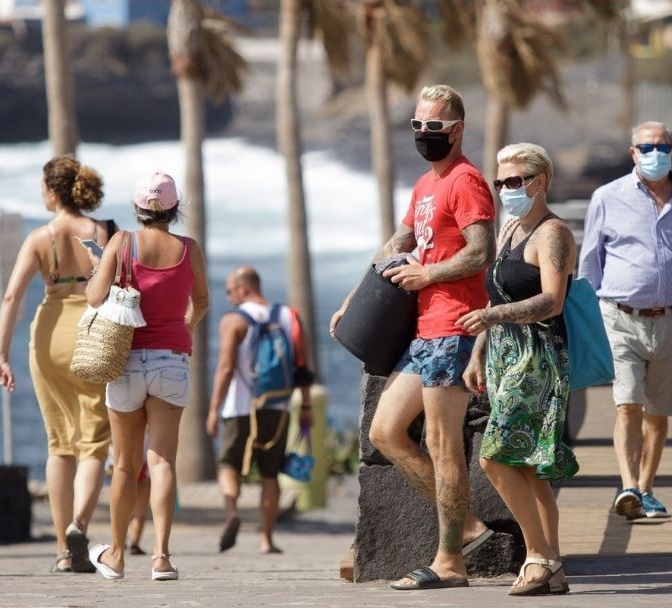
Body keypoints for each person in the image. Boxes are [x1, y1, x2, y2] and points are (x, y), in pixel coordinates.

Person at [330, 84, 497, 590]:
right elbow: (399, 243)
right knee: (385, 432)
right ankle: (467, 527)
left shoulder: (467, 182)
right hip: (424, 331)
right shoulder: (426, 185)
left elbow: (481, 252)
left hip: (453, 325)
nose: (425, 134)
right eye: (418, 126)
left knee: (444, 443)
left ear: (457, 129)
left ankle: (450, 561)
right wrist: (354, 298)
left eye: (435, 127)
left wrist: (430, 275)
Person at [579, 121, 672, 522]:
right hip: (618, 316)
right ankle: (627, 485)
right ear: (632, 153)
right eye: (646, 147)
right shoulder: (606, 198)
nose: (654, 154)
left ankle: (645, 488)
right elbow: (589, 264)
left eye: (662, 147)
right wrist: (584, 319)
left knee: (658, 412)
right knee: (627, 404)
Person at [458, 143, 577, 596]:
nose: (506, 189)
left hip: (539, 356)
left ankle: (537, 556)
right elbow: (498, 298)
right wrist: (478, 352)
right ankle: (554, 566)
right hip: (506, 355)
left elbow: (553, 300)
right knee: (528, 468)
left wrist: (490, 320)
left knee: (494, 456)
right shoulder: (509, 229)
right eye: (500, 182)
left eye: (515, 181)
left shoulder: (553, 234)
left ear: (539, 181)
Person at [86, 171, 210, 582]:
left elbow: (93, 296)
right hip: (171, 360)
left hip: (126, 359)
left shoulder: (122, 242)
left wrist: (98, 265)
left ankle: (117, 555)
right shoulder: (189, 249)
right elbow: (202, 300)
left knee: (124, 466)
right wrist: (182, 330)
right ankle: (161, 558)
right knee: (163, 462)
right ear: (175, 208)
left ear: (138, 207)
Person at [0, 156, 114, 574]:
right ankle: (80, 523)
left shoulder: (39, 238)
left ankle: (64, 548)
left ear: (51, 191)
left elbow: (12, 297)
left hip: (48, 336)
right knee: (95, 442)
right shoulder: (104, 232)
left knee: (59, 444)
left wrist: (1, 353)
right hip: (93, 329)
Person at [206, 266, 314, 555]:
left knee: (228, 466)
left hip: (240, 408)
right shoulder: (289, 317)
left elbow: (226, 368)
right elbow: (302, 367)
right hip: (278, 408)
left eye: (230, 291)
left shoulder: (233, 320)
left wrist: (214, 409)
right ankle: (267, 539)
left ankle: (232, 514)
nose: (229, 299)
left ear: (243, 288)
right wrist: (305, 405)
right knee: (270, 474)